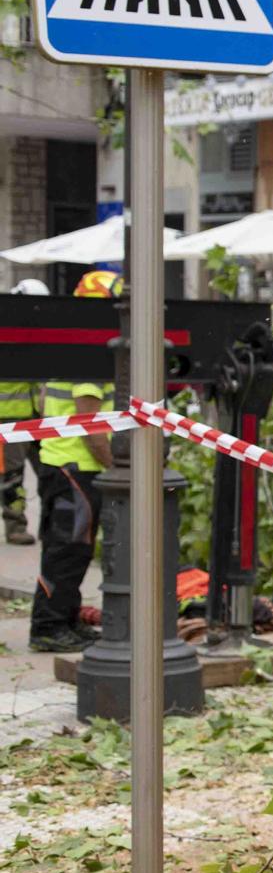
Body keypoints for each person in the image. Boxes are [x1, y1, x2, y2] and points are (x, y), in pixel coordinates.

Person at [30, 276, 120, 654]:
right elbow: (92, 427)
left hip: (60, 462)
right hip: (75, 466)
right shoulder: (92, 357)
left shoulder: (72, 347)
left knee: (68, 548)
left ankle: (63, 620)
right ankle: (49, 627)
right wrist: (118, 467)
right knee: (68, 549)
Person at [0, 279, 50, 547]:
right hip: (9, 416)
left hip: (35, 414)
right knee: (13, 475)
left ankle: (50, 524)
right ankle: (15, 525)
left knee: (49, 471)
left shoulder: (31, 330)